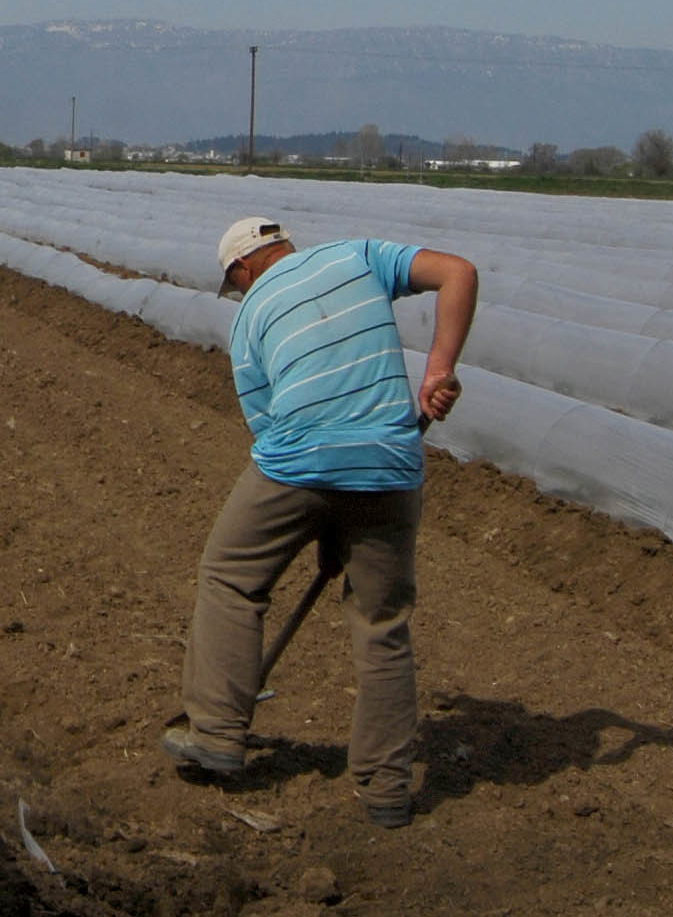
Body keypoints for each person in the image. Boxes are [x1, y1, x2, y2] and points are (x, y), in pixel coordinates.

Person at [165, 214, 479, 827]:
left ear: (243, 267)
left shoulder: (251, 315)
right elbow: (458, 273)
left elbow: (269, 430)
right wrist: (438, 371)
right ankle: (387, 789)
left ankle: (217, 735)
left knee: (231, 576)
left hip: (298, 464)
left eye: (235, 281)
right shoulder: (358, 255)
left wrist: (318, 522)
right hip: (390, 466)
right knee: (382, 620)